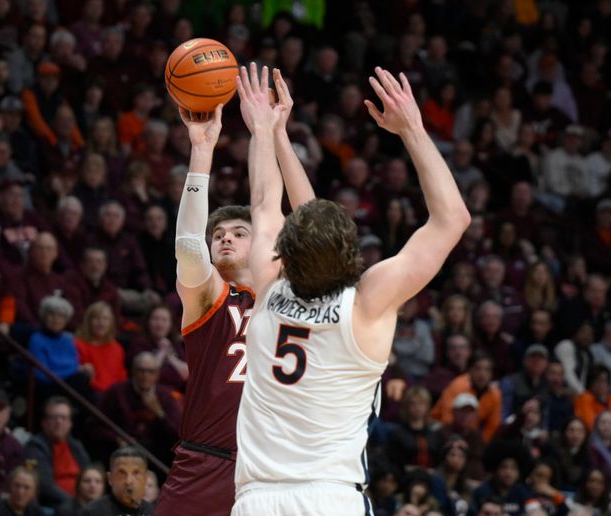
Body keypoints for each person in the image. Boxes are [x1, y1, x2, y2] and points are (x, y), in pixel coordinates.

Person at [231, 65, 470, 515]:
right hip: (331, 496)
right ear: (352, 254)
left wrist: (266, 130)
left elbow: (265, 203)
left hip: (258, 498)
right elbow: (452, 219)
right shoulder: (367, 305)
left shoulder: (268, 284)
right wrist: (413, 128)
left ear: (284, 253)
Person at [157, 61, 311, 516]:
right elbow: (188, 244)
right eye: (218, 234)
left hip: (274, 473)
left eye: (239, 233)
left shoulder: (288, 295)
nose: (225, 236)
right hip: (206, 464)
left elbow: (301, 218)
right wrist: (201, 150)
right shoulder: (210, 298)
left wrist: (274, 132)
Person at [22, 397, 91, 508]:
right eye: (54, 417)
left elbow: (91, 474)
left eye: (63, 418)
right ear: (44, 422)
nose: (59, 422)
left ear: (70, 423)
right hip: (54, 506)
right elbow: (45, 487)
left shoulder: (76, 446)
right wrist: (76, 504)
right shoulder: (35, 447)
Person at [79, 447, 153, 516]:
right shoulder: (92, 512)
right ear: (110, 478)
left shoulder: (155, 512)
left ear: (145, 478)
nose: (128, 481)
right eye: (122, 473)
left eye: (136, 473)